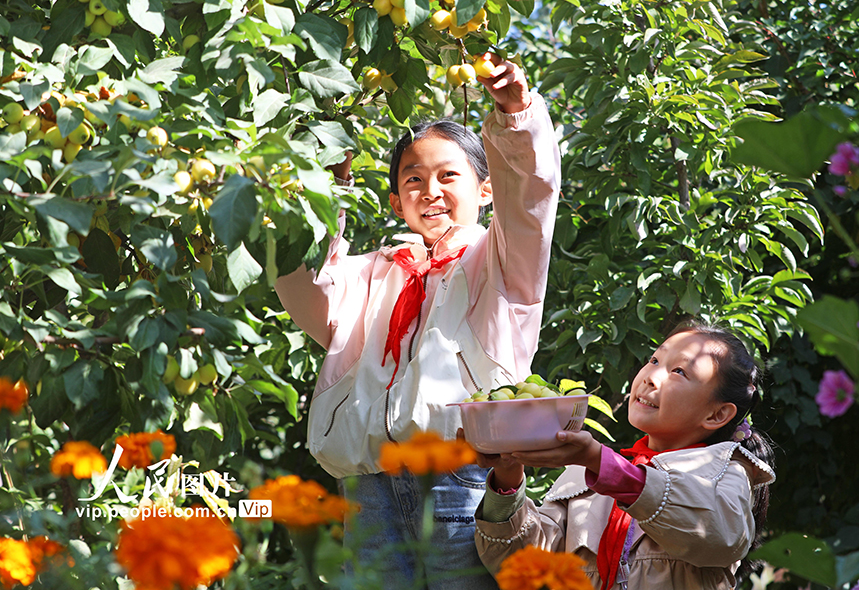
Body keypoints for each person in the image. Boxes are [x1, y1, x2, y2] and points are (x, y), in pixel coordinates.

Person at [274, 52, 560, 588]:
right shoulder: (370, 273)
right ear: (395, 198)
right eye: (413, 179)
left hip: (462, 477)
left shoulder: (500, 262)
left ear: (486, 188)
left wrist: (516, 119)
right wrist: (315, 196)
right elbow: (302, 285)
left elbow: (531, 203)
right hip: (369, 486)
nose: (430, 191)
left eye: (449, 175)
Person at [473, 322, 776, 589]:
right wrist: (508, 473)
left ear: (717, 414)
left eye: (679, 371)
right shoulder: (585, 476)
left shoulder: (726, 474)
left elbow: (717, 536)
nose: (651, 377)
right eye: (654, 359)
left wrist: (602, 465)